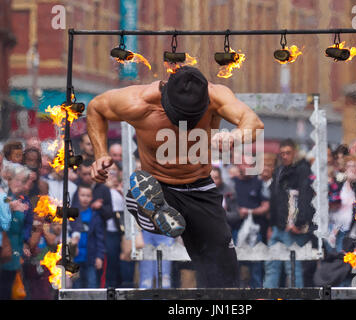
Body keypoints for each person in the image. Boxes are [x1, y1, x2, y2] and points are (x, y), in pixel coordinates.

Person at [87, 66, 264, 288]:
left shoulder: (215, 95)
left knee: (223, 271)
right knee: (152, 201)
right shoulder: (139, 102)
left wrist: (236, 136)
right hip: (160, 186)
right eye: (183, 116)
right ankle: (146, 206)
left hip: (201, 189)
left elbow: (253, 121)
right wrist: (100, 154)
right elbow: (95, 109)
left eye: (193, 117)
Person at [264, 139, 315, 288]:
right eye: (282, 153)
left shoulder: (303, 169)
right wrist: (271, 225)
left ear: (294, 153)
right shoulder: (279, 170)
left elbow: (305, 197)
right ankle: (269, 296)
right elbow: (274, 198)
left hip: (292, 227)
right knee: (271, 265)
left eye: (288, 153)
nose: (285, 156)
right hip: (277, 226)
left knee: (292, 267)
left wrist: (298, 223)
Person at [232, 155, 269, 288]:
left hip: (255, 231)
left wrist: (249, 212)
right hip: (236, 229)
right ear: (239, 165)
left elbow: (266, 206)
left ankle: (257, 292)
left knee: (256, 265)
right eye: (244, 164)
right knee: (236, 264)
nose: (247, 167)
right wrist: (236, 212)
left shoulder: (259, 183)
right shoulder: (233, 183)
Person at [0, 164, 30, 299]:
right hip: (3, 251)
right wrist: (10, 207)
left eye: (24, 181)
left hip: (14, 254)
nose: (21, 185)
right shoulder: (5, 196)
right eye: (18, 180)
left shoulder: (22, 198)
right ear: (9, 179)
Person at [70, 184, 105, 288]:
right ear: (77, 196)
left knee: (92, 284)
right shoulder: (72, 214)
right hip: (75, 258)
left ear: (92, 197)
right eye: (82, 195)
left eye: (88, 196)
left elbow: (99, 238)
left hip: (91, 257)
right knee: (76, 286)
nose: (85, 198)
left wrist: (99, 256)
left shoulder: (95, 215)